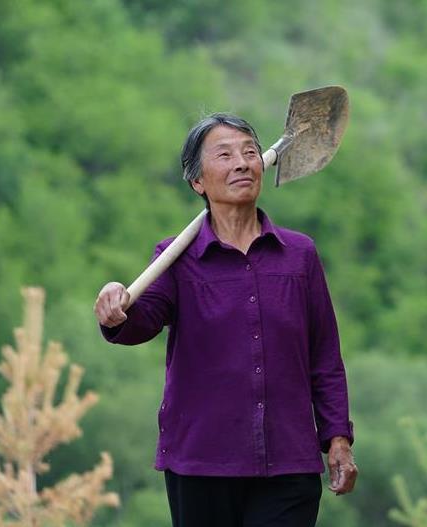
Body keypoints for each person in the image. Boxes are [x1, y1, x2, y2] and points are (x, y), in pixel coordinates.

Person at [94, 113, 357, 527]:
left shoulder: (299, 256)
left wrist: (337, 437)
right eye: (224, 155)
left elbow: (325, 358)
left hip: (289, 464)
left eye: (250, 152)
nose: (242, 163)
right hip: (201, 464)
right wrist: (114, 309)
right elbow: (140, 321)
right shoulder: (176, 259)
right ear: (198, 182)